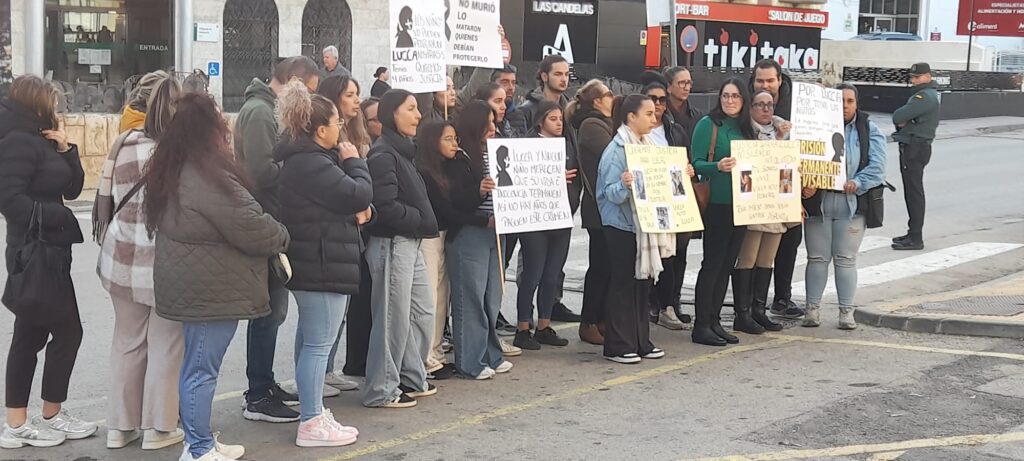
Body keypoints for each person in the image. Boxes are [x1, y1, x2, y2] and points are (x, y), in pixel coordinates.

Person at [144, 93, 289, 461]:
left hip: (198, 284)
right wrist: (281, 232)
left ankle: (201, 440)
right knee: (201, 371)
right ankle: (198, 448)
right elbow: (251, 226)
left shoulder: (177, 167)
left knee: (196, 366)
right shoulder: (205, 175)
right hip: (210, 291)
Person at [0, 75, 93, 448]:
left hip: (51, 251)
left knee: (32, 333)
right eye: (52, 101)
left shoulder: (42, 139)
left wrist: (67, 149)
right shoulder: (18, 142)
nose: (57, 108)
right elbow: (8, 199)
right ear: (36, 102)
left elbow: (72, 188)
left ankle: (27, 419)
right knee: (63, 332)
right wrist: (57, 218)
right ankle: (30, 419)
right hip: (33, 251)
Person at [276, 82, 370, 447]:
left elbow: (349, 203)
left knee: (311, 340)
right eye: (336, 123)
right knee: (318, 343)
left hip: (320, 257)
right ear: (320, 130)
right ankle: (312, 420)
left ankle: (312, 411)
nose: (341, 129)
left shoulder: (307, 159)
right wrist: (356, 163)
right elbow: (357, 194)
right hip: (321, 261)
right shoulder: (311, 161)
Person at [95, 73, 186, 451]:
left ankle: (120, 427)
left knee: (127, 341)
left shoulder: (122, 142)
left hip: (121, 257)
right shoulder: (181, 152)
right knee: (166, 342)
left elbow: (107, 196)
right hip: (166, 261)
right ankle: (160, 427)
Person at [234, 56, 319, 424]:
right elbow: (259, 171)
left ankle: (264, 383)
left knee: (274, 310)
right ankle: (258, 393)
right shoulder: (259, 111)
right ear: (292, 81)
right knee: (268, 311)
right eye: (307, 91)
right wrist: (300, 164)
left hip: (275, 217)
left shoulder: (269, 111)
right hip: (265, 218)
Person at [364, 89, 439, 408]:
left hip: (411, 241)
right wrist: (418, 219)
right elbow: (384, 205)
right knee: (391, 319)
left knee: (422, 312)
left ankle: (411, 375)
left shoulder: (403, 151)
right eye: (410, 109)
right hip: (393, 243)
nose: (418, 115)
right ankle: (381, 389)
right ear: (392, 113)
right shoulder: (383, 154)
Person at [802, 83, 887, 329]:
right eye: (839, 101)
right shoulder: (813, 127)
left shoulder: (868, 130)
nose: (845, 106)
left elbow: (878, 167)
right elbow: (796, 158)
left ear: (856, 103)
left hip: (851, 204)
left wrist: (858, 182)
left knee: (846, 258)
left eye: (849, 101)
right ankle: (812, 309)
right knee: (816, 258)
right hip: (820, 202)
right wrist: (805, 184)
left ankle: (846, 311)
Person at [595, 94, 669, 364]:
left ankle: (640, 341)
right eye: (648, 113)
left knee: (641, 283)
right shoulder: (616, 150)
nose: (654, 118)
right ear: (631, 117)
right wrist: (625, 184)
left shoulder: (647, 144)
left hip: (643, 223)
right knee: (623, 283)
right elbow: (607, 194)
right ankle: (618, 344)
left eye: (654, 113)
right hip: (621, 225)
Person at [442, 101, 514, 378]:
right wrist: (479, 191)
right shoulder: (460, 159)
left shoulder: (498, 152)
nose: (494, 129)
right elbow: (454, 201)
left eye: (495, 123)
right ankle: (470, 361)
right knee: (470, 296)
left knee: (492, 296)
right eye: (488, 124)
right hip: (471, 232)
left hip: (496, 232)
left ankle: (491, 353)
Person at [314, 74, 373, 393]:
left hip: (355, 227)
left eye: (357, 93)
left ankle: (329, 367)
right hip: (336, 229)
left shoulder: (355, 129)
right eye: (350, 94)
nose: (356, 100)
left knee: (344, 306)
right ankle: (318, 373)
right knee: (323, 315)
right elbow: (343, 184)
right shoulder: (326, 140)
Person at [690, 78, 757, 347]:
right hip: (716, 203)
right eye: (726, 96)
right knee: (712, 264)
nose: (729, 101)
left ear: (744, 100)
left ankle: (714, 320)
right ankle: (701, 324)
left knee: (727, 265)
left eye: (735, 96)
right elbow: (695, 163)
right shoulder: (709, 125)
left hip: (740, 205)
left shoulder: (745, 128)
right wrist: (717, 166)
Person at [514, 100, 579, 351]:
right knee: (532, 274)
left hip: (560, 215)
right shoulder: (527, 146)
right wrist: (550, 176)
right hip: (535, 217)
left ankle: (544, 325)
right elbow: (519, 178)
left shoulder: (566, 144)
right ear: (540, 121)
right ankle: (522, 327)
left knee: (552, 274)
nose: (559, 122)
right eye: (553, 119)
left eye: (560, 118)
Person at [729, 90, 795, 336]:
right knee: (748, 258)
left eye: (770, 104)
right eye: (760, 104)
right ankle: (742, 313)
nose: (766, 109)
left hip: (776, 204)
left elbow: (788, 169)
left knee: (767, 259)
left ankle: (759, 309)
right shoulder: (745, 131)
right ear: (751, 107)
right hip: (754, 204)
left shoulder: (783, 133)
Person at [749, 59, 802, 321]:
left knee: (789, 243)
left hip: (789, 190)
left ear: (780, 80)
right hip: (757, 197)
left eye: (770, 80)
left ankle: (782, 297)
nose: (765, 85)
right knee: (753, 254)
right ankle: (749, 308)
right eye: (760, 81)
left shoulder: (796, 107)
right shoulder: (746, 110)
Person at [415, 120, 467, 381]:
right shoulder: (424, 172)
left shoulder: (448, 168)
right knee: (429, 298)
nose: (454, 143)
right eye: (448, 138)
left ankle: (435, 352)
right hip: (430, 237)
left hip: (446, 235)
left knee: (441, 296)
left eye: (455, 138)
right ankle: (424, 357)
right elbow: (445, 208)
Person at [642, 81, 693, 332]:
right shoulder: (638, 131)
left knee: (674, 255)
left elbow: (685, 161)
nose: (659, 104)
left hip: (672, 201)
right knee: (652, 255)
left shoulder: (675, 130)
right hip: (648, 202)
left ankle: (670, 304)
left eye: (662, 99)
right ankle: (652, 303)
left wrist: (688, 170)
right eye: (653, 99)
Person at [570, 79, 616, 345]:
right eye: (609, 94)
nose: (613, 98)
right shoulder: (591, 125)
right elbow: (612, 153)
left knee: (609, 266)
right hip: (598, 207)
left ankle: (602, 318)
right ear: (597, 101)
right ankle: (588, 321)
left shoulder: (606, 123)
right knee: (599, 266)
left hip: (608, 206)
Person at [891, 62, 939, 251]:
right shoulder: (925, 95)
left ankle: (915, 237)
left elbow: (898, 116)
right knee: (912, 192)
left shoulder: (924, 96)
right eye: (912, 77)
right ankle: (912, 233)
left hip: (915, 147)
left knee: (914, 193)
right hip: (916, 146)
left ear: (928, 76)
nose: (913, 81)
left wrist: (905, 120)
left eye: (917, 77)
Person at [663, 67, 704, 141]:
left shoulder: (698, 116)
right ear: (669, 87)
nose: (687, 88)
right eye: (682, 83)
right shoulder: (661, 114)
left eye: (689, 83)